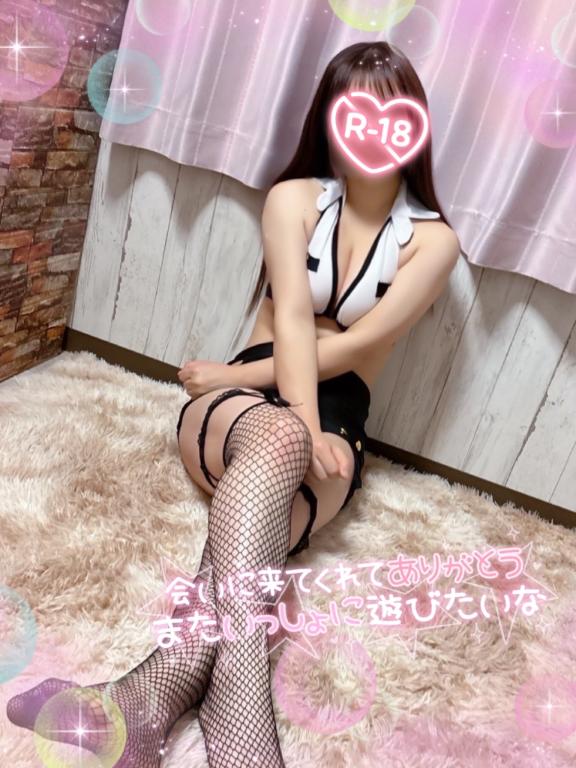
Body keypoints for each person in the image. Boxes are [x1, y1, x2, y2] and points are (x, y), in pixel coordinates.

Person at [6, 41, 461, 768]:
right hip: (245, 407)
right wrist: (276, 409)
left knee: (255, 536)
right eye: (353, 113)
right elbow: (292, 320)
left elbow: (357, 344)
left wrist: (249, 389)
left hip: (332, 419)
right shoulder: (293, 199)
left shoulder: (433, 243)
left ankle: (146, 699)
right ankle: (239, 702)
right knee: (279, 440)